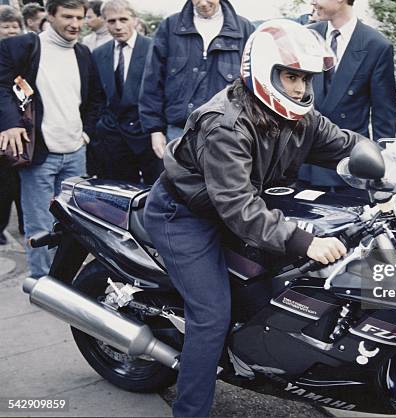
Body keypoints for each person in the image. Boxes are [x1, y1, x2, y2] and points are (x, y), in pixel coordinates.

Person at [144, 19, 364, 417]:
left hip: (233, 206)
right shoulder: (226, 123)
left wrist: (389, 162)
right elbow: (238, 207)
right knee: (211, 316)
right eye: (292, 76)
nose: (301, 88)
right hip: (185, 215)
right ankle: (190, 411)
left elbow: (345, 144)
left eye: (307, 79)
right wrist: (305, 241)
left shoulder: (300, 118)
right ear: (265, 72)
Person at [0, 0, 102, 277]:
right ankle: (41, 283)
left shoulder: (82, 52)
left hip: (76, 151)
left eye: (79, 17)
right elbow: (2, 87)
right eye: (67, 16)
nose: (75, 24)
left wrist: (86, 135)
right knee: (40, 225)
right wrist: (9, 124)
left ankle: (64, 281)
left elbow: (94, 99)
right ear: (50, 15)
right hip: (40, 155)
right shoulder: (24, 47)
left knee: (73, 224)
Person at [139, 0, 255, 161]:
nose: (203, 3)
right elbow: (152, 81)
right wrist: (155, 130)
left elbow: (253, 87)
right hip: (178, 133)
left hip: (229, 136)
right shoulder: (169, 27)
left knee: (225, 185)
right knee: (178, 184)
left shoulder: (245, 30)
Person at [300, 0, 396, 188]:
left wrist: (379, 170)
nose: (313, 2)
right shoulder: (308, 36)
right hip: (303, 165)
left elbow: (384, 116)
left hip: (347, 169)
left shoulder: (376, 45)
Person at [92, 0, 161, 184]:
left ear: (135, 20)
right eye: (112, 21)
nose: (118, 26)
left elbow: (163, 93)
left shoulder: (154, 49)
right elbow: (96, 97)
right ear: (105, 22)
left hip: (147, 138)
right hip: (112, 141)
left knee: (154, 197)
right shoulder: (99, 54)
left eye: (123, 19)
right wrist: (101, 126)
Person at [0, 5, 25, 245]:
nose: (10, 30)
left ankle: (25, 224)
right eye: (5, 26)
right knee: (4, 183)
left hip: (21, 126)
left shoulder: (23, 54)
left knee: (20, 179)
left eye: (14, 26)